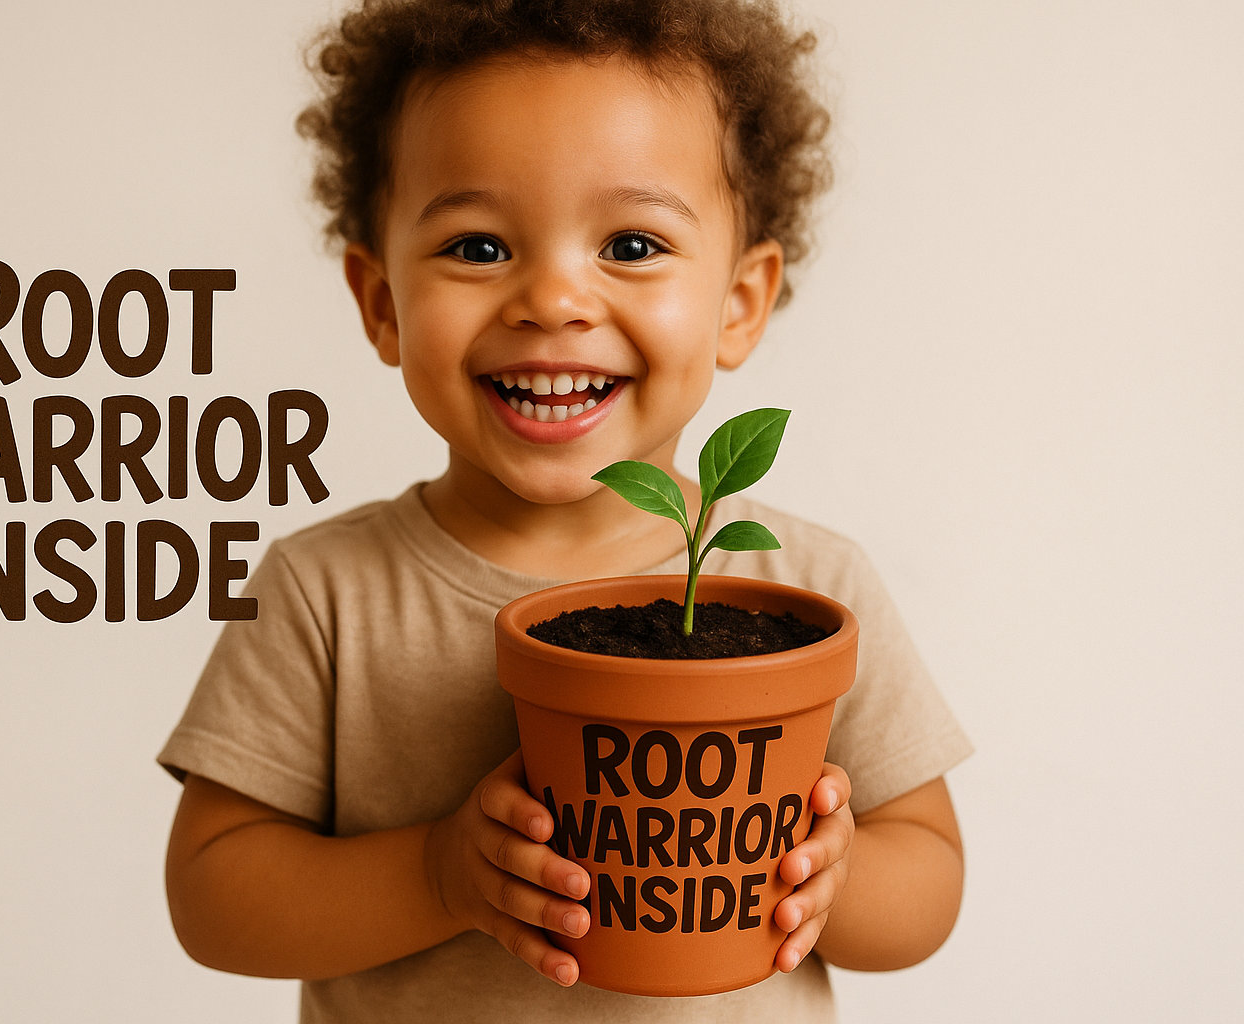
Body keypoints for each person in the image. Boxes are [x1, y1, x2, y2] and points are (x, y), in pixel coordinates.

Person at [159, 1, 972, 1021]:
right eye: (478, 248)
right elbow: (213, 896)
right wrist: (438, 874)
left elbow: (930, 880)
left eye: (631, 243)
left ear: (739, 302)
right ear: (381, 303)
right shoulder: (325, 592)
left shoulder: (805, 590)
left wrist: (832, 878)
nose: (552, 298)